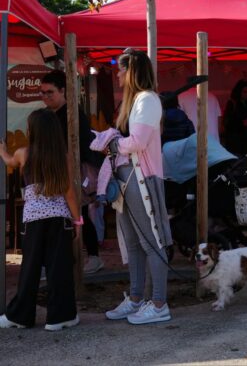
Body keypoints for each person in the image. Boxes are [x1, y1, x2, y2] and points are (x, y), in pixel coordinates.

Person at [104, 49, 173, 325]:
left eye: (120, 69)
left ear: (130, 71)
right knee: (133, 243)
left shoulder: (146, 100)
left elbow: (137, 142)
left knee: (150, 242)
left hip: (141, 179)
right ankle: (136, 299)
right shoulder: (138, 101)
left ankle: (158, 303)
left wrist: (111, 143)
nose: (117, 74)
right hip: (130, 178)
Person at [0, 109, 82, 330]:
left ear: (33, 131)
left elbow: (8, 160)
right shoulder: (63, 157)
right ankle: (59, 317)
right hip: (59, 219)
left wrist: (2, 149)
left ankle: (19, 316)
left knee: (30, 268)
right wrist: (78, 221)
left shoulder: (23, 154)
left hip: (32, 220)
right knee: (59, 269)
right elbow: (69, 192)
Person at [40, 70, 106, 274]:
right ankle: (68, 260)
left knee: (79, 214)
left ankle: (92, 257)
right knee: (70, 216)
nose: (45, 96)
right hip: (62, 172)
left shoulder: (70, 114)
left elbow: (72, 149)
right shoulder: (54, 114)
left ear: (62, 91)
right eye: (42, 92)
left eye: (50, 92)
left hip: (76, 172)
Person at [222, 79, 247, 156]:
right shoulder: (232, 104)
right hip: (235, 143)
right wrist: (241, 123)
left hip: (245, 143)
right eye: (244, 92)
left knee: (246, 165)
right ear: (239, 91)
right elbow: (227, 123)